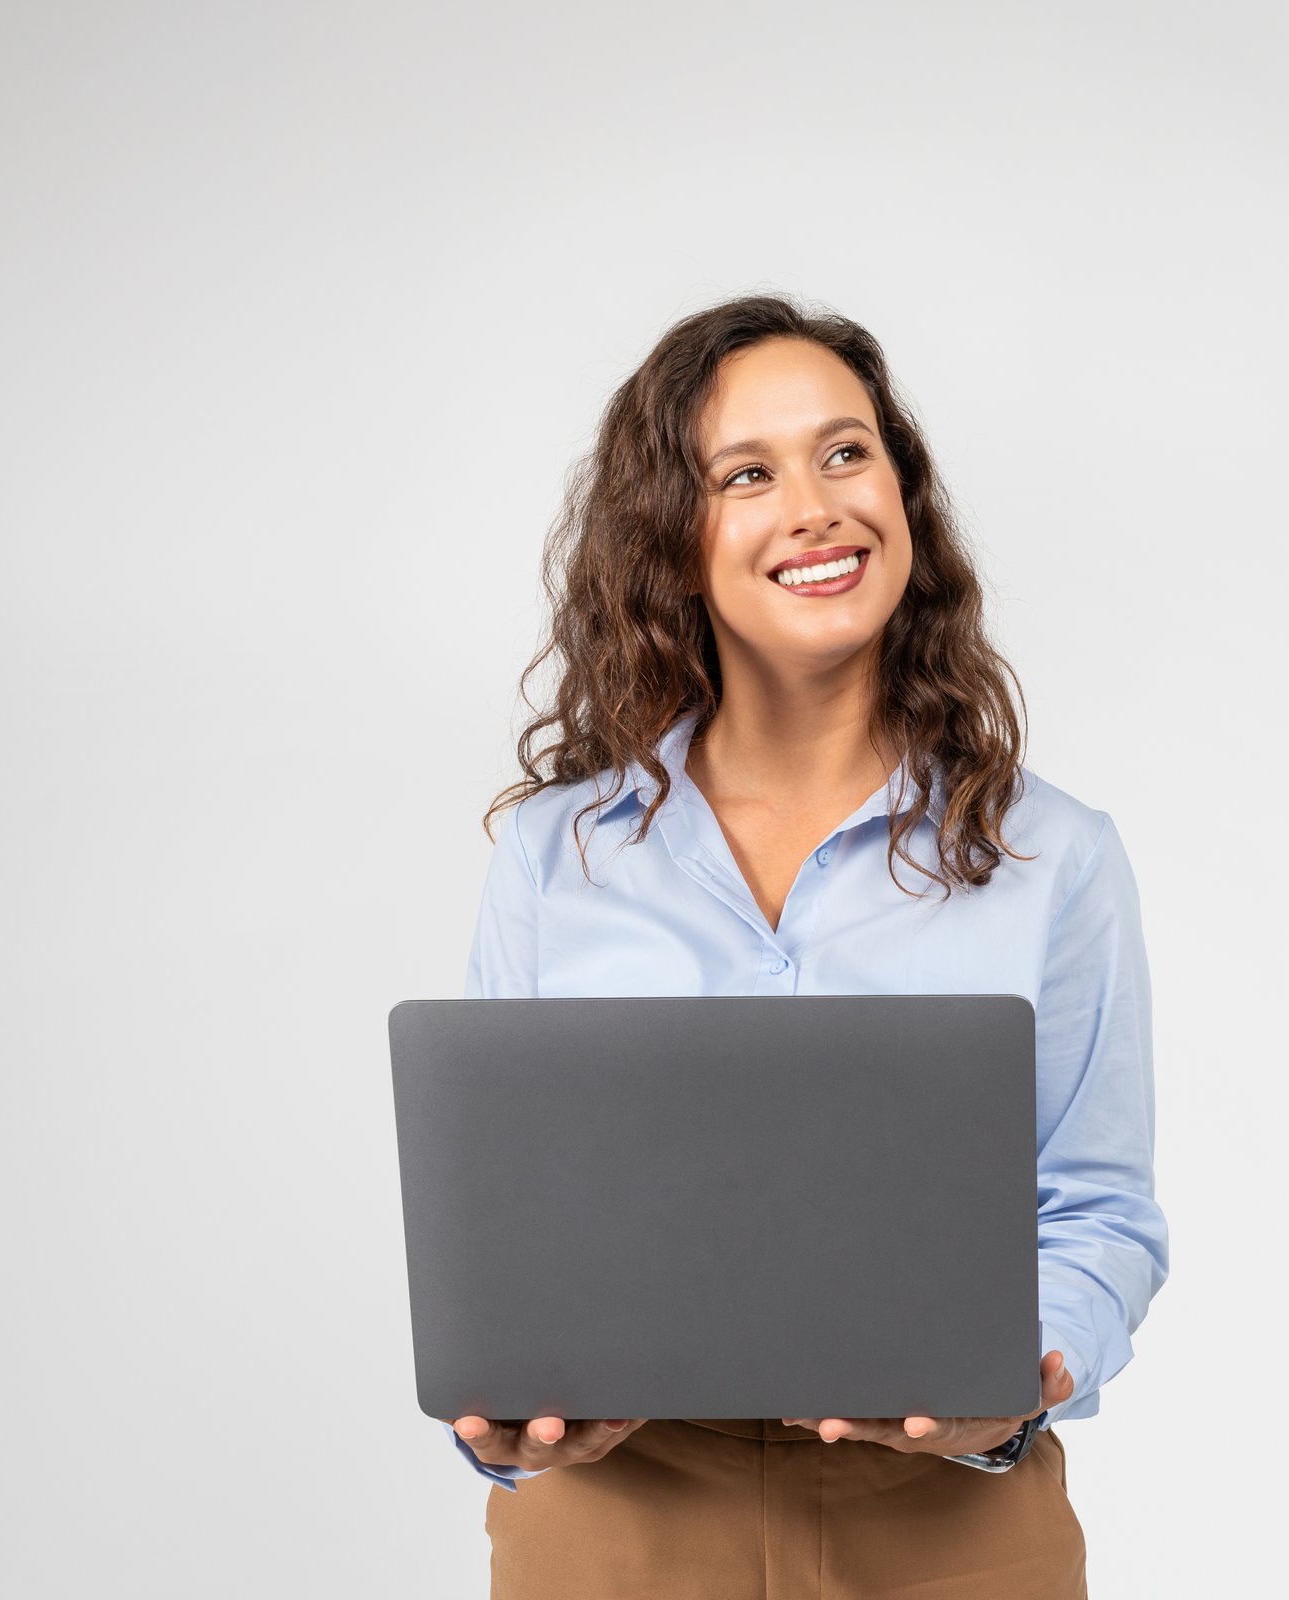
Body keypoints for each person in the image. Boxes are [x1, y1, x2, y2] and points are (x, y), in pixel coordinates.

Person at [441, 293, 1168, 1598]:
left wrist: (1021, 1379)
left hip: (950, 1527)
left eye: (847, 453)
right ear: (673, 538)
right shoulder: (556, 858)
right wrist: (513, 1425)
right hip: (621, 1517)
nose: (818, 505)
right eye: (748, 474)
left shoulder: (1056, 858)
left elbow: (1099, 1209)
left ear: (904, 494)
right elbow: (514, 1228)